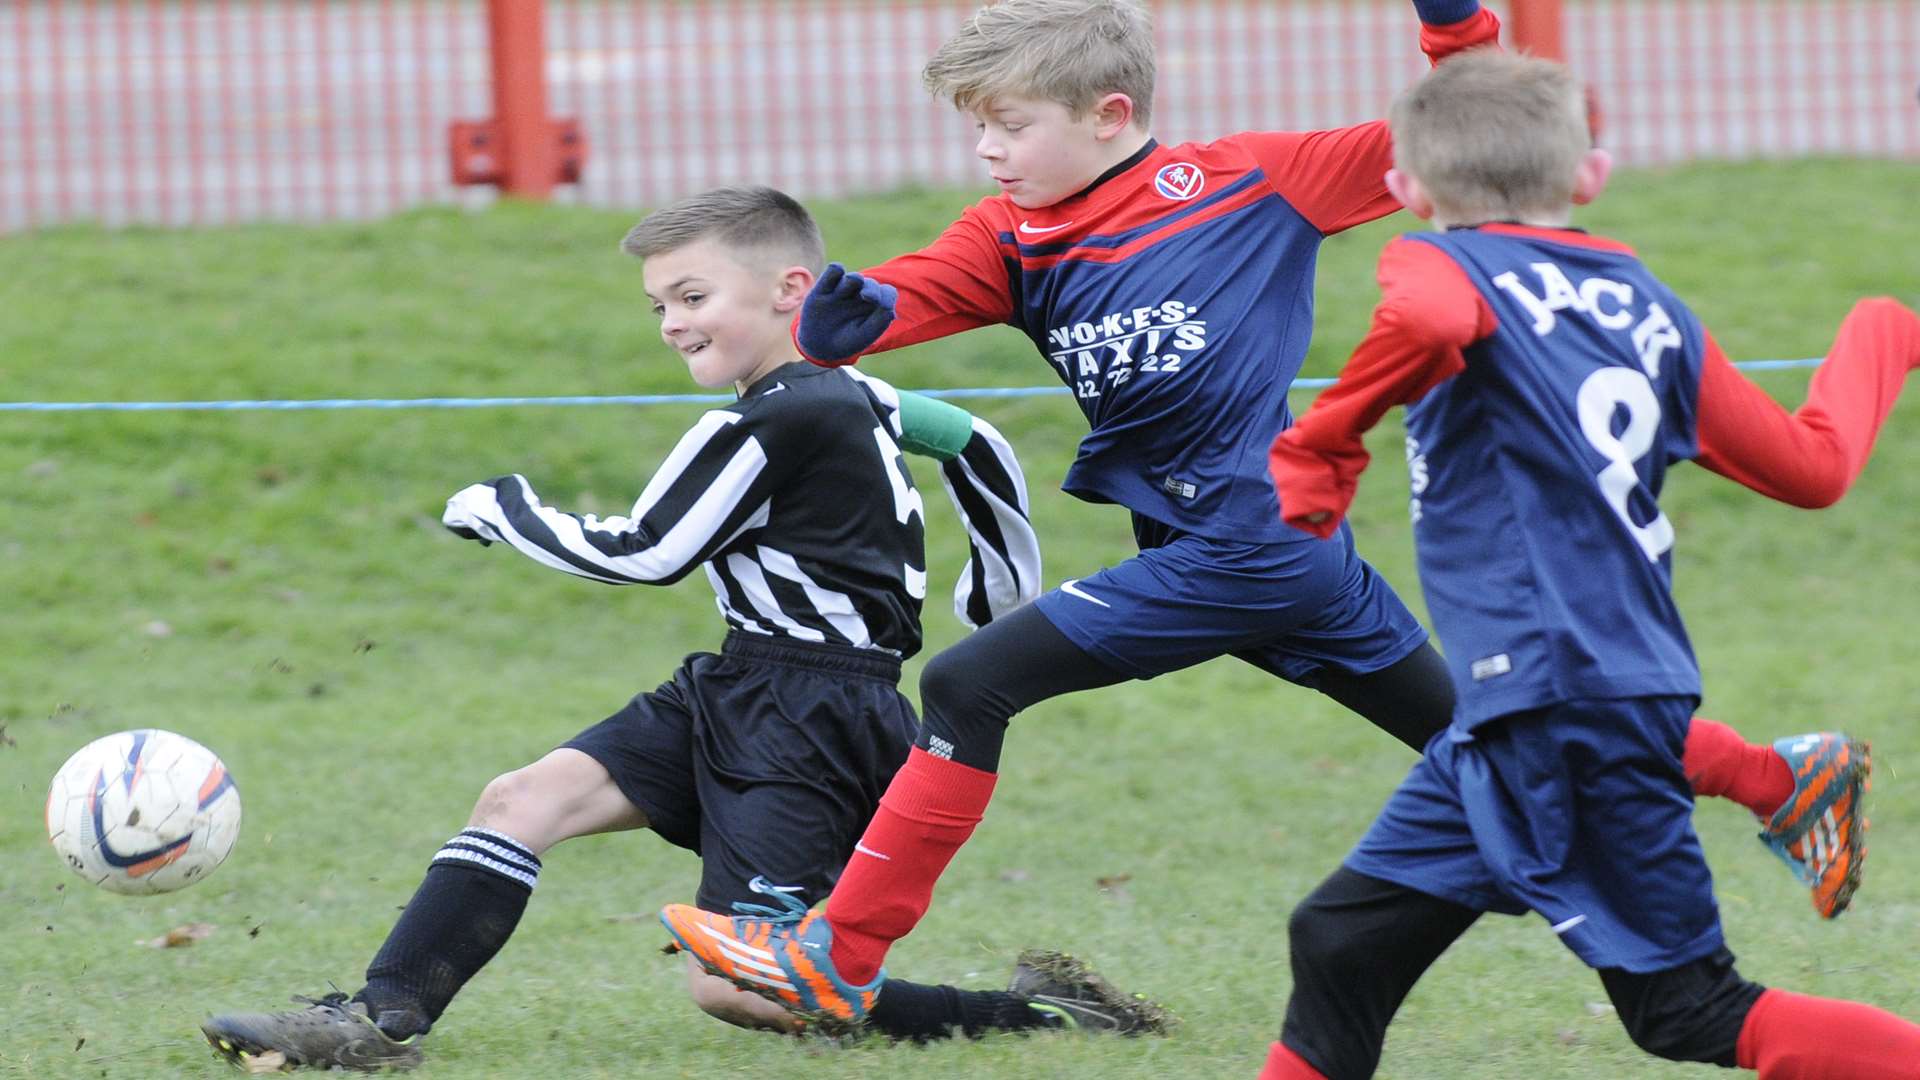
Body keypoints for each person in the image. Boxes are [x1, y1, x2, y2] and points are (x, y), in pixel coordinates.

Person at [661, 0, 1862, 1033]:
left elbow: (1471, 132)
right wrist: (830, 313)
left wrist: (1455, 28)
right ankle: (1772, 779)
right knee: (1484, 737)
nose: (987, 151)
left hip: (1255, 546)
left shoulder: (1252, 180)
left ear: (1110, 116)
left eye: (1010, 124)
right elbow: (884, 307)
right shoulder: (1009, 238)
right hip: (1256, 556)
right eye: (975, 126)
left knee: (971, 685)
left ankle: (838, 956)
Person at [200, 186, 1163, 1073]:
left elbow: (646, 551)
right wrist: (997, 595)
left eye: (694, 296)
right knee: (522, 800)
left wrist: (502, 510)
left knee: (741, 989)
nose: (673, 324)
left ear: (792, 289)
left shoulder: (769, 420)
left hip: (812, 724)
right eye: (660, 304)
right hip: (744, 682)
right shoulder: (853, 394)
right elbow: (979, 442)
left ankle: (1039, 1016)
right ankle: (375, 1023)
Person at [1261, 49, 1920, 1080]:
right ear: (1590, 177)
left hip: (1557, 703)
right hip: (1542, 699)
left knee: (1689, 1012)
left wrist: (1320, 451)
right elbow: (1815, 469)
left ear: (1406, 191)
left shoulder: (1443, 261)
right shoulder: (1649, 306)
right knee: (1339, 941)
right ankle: (1776, 775)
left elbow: (1433, 315)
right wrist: (1882, 334)